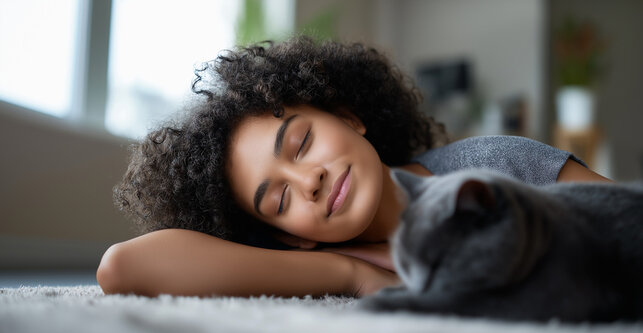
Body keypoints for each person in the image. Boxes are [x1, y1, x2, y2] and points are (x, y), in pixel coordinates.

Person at [96, 37, 611, 298]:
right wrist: (347, 273)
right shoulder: (327, 266)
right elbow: (122, 267)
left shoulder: (497, 163)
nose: (310, 180)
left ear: (349, 117)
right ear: (292, 237)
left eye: (301, 144)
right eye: (279, 200)